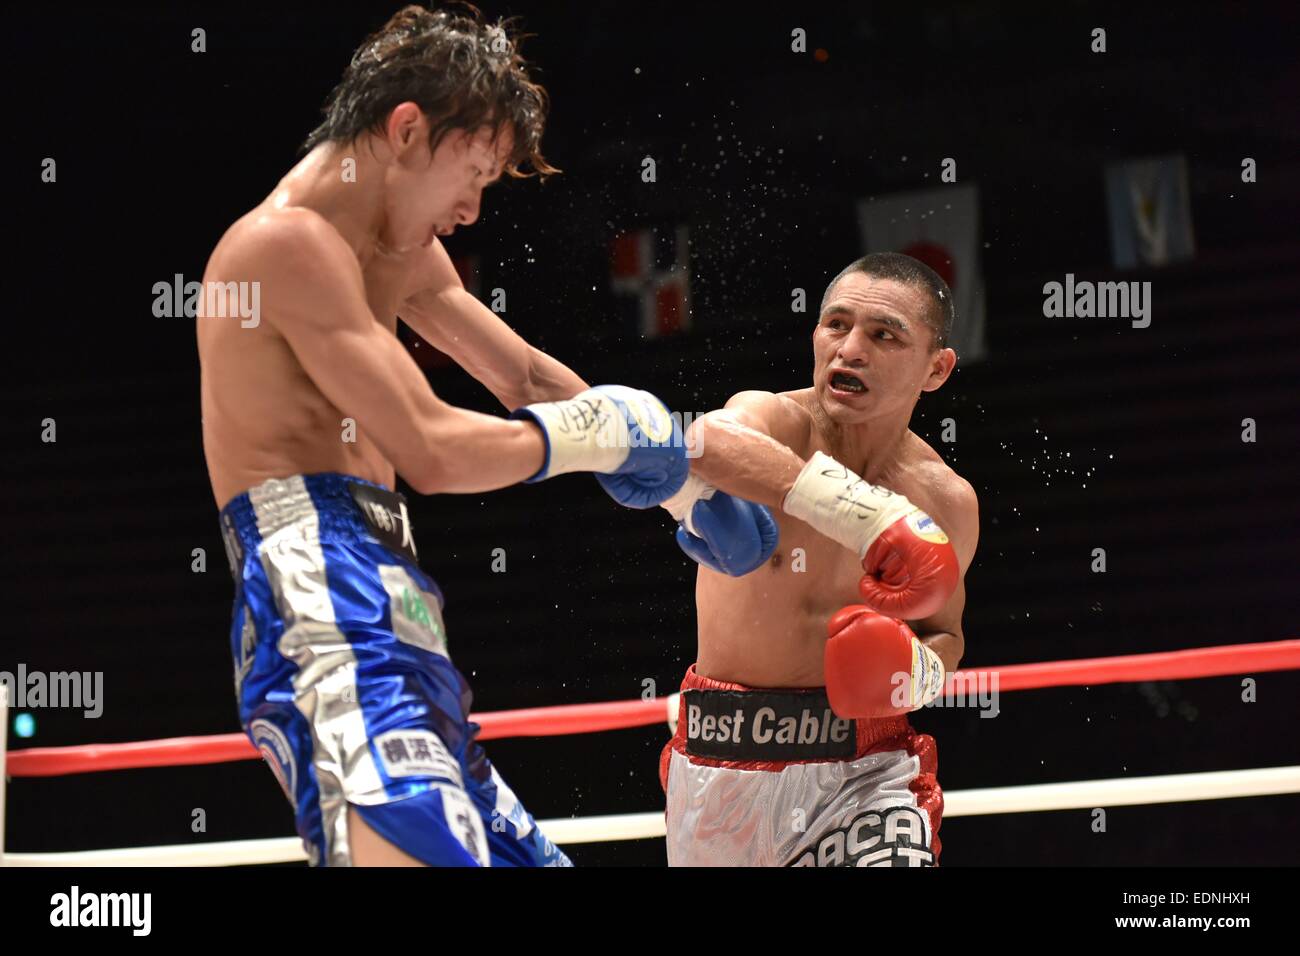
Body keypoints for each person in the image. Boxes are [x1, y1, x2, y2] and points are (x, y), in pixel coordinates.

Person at [198, 4, 687, 867]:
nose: (471, 209)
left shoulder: (394, 245)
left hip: (397, 596)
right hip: (319, 582)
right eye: (474, 172)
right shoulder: (283, 246)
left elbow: (528, 381)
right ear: (407, 130)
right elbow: (429, 447)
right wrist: (604, 434)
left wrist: (681, 478)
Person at [658, 252, 979, 866]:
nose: (850, 349)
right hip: (721, 761)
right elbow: (705, 443)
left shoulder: (946, 501)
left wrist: (916, 669)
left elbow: (946, 634)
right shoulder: (769, 422)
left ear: (936, 369)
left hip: (868, 770)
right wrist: (865, 514)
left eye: (883, 335)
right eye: (836, 325)